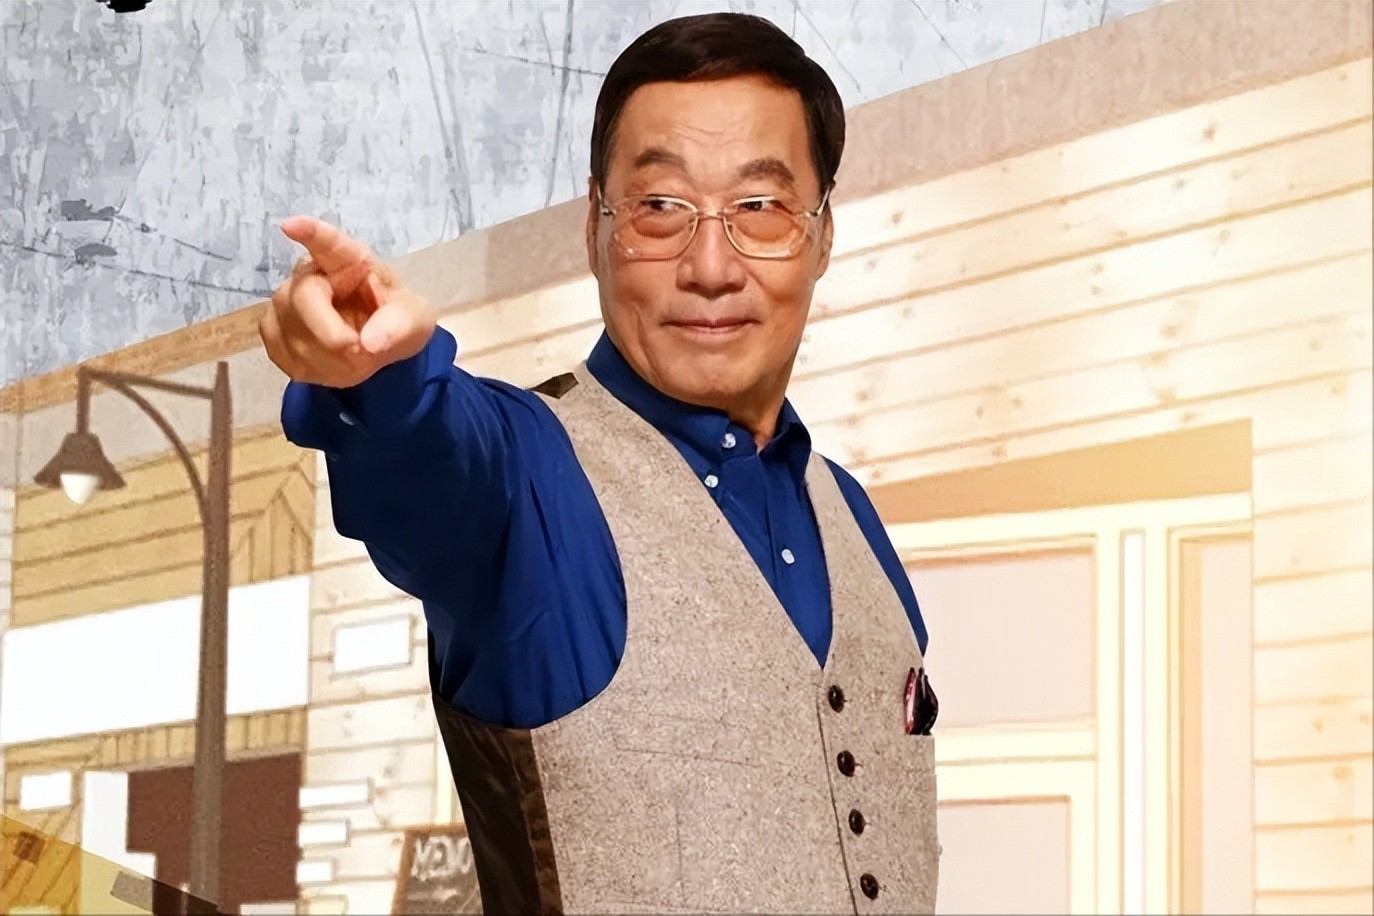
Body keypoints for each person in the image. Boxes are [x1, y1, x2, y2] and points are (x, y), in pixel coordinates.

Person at [262, 12, 940, 914]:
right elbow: (432, 456)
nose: (710, 267)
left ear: (820, 235)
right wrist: (375, 375)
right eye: (660, 208)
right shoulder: (527, 477)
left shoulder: (849, 510)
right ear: (594, 228)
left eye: (759, 208)